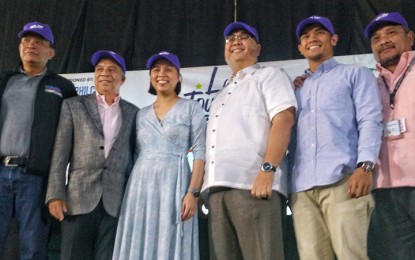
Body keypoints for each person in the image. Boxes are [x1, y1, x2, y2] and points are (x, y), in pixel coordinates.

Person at [202, 22, 297, 260]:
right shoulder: (221, 94)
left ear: (258, 48)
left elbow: (284, 119)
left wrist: (268, 169)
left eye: (244, 36)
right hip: (216, 191)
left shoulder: (270, 75)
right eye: (230, 38)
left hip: (254, 187)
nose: (236, 40)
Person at [291, 15, 383, 260]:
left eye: (320, 32)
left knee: (352, 256)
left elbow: (370, 120)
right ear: (300, 48)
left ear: (333, 39)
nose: (312, 38)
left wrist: (366, 166)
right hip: (302, 190)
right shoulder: (295, 89)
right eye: (305, 36)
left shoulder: (355, 74)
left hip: (344, 182)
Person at [112, 51, 206, 260]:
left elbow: (200, 152)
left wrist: (193, 192)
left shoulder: (192, 108)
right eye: (156, 69)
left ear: (178, 76)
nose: (161, 74)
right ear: (151, 76)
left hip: (176, 183)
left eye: (168, 69)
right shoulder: (140, 114)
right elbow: (134, 154)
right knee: (139, 236)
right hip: (140, 187)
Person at [45, 50, 138, 260]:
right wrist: (55, 194)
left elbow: (133, 162)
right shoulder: (73, 105)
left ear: (122, 79)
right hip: (77, 200)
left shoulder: (133, 113)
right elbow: (60, 154)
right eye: (100, 69)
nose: (105, 73)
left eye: (112, 70)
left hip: (115, 203)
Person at [0, 21, 77, 259]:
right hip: (0, 171)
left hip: (34, 177)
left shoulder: (62, 87)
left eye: (39, 42)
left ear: (51, 52)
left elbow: (71, 135)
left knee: (33, 247)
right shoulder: (5, 80)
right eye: (26, 41)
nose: (31, 45)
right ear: (20, 47)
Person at [364, 12, 415, 260]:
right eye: (376, 38)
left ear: (410, 37)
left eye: (391, 33)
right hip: (385, 188)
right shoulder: (369, 85)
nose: (383, 40)